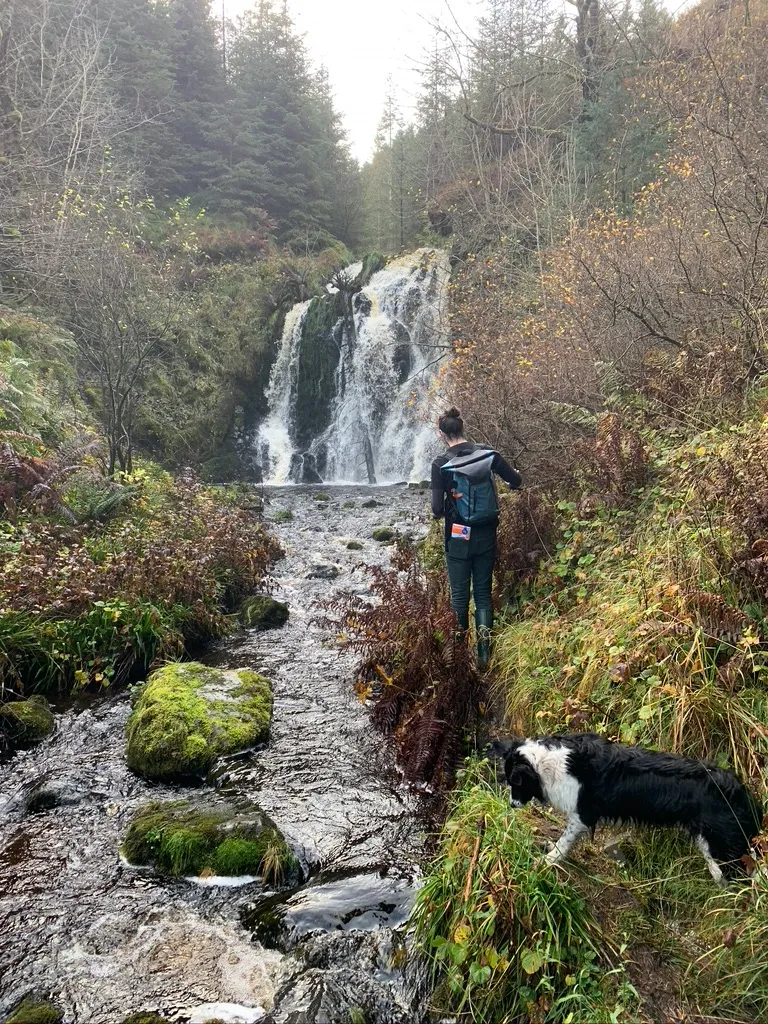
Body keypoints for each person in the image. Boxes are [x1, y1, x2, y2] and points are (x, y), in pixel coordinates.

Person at [431, 407, 522, 670]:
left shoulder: (441, 463)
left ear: (442, 434)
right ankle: (484, 658)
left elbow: (437, 509)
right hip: (486, 532)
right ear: (463, 427)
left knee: (459, 597)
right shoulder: (487, 453)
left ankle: (459, 661)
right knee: (482, 593)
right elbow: (515, 480)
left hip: (458, 536)